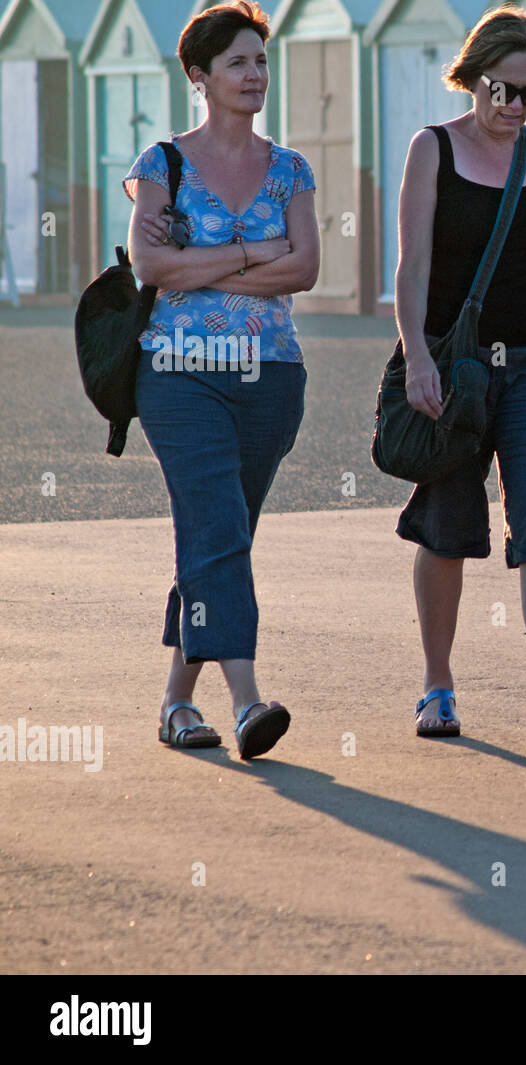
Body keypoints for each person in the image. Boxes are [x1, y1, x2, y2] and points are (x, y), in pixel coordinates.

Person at [393, 6, 526, 745]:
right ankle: (438, 686)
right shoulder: (433, 150)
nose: (513, 107)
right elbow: (413, 268)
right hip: (459, 370)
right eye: (501, 90)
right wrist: (418, 355)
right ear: (472, 77)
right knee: (447, 526)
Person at [124, 1, 320, 759]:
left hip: (272, 377)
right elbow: (153, 267)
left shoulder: (291, 168)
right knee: (219, 531)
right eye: (237, 63)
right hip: (179, 374)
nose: (254, 75)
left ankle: (176, 704)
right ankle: (247, 704)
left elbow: (306, 267)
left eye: (261, 61)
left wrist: (204, 266)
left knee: (219, 541)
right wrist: (252, 255)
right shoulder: (162, 164)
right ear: (200, 76)